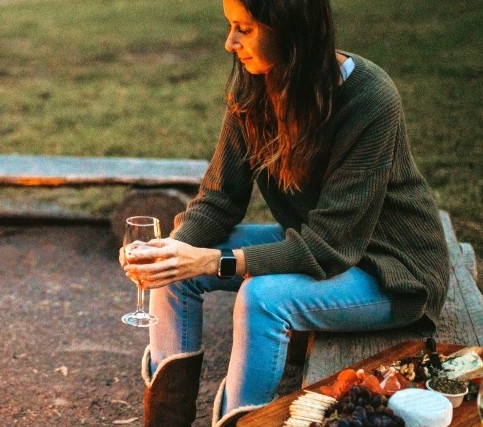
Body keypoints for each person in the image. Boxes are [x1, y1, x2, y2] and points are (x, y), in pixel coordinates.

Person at [119, 0, 449, 426]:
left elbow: (330, 246)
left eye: (244, 28)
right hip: (318, 245)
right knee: (173, 273)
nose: (229, 42)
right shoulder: (255, 84)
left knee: (263, 299)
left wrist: (212, 260)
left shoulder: (370, 100)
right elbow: (219, 199)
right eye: (230, 26)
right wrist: (172, 250)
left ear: (289, 29)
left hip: (391, 269)